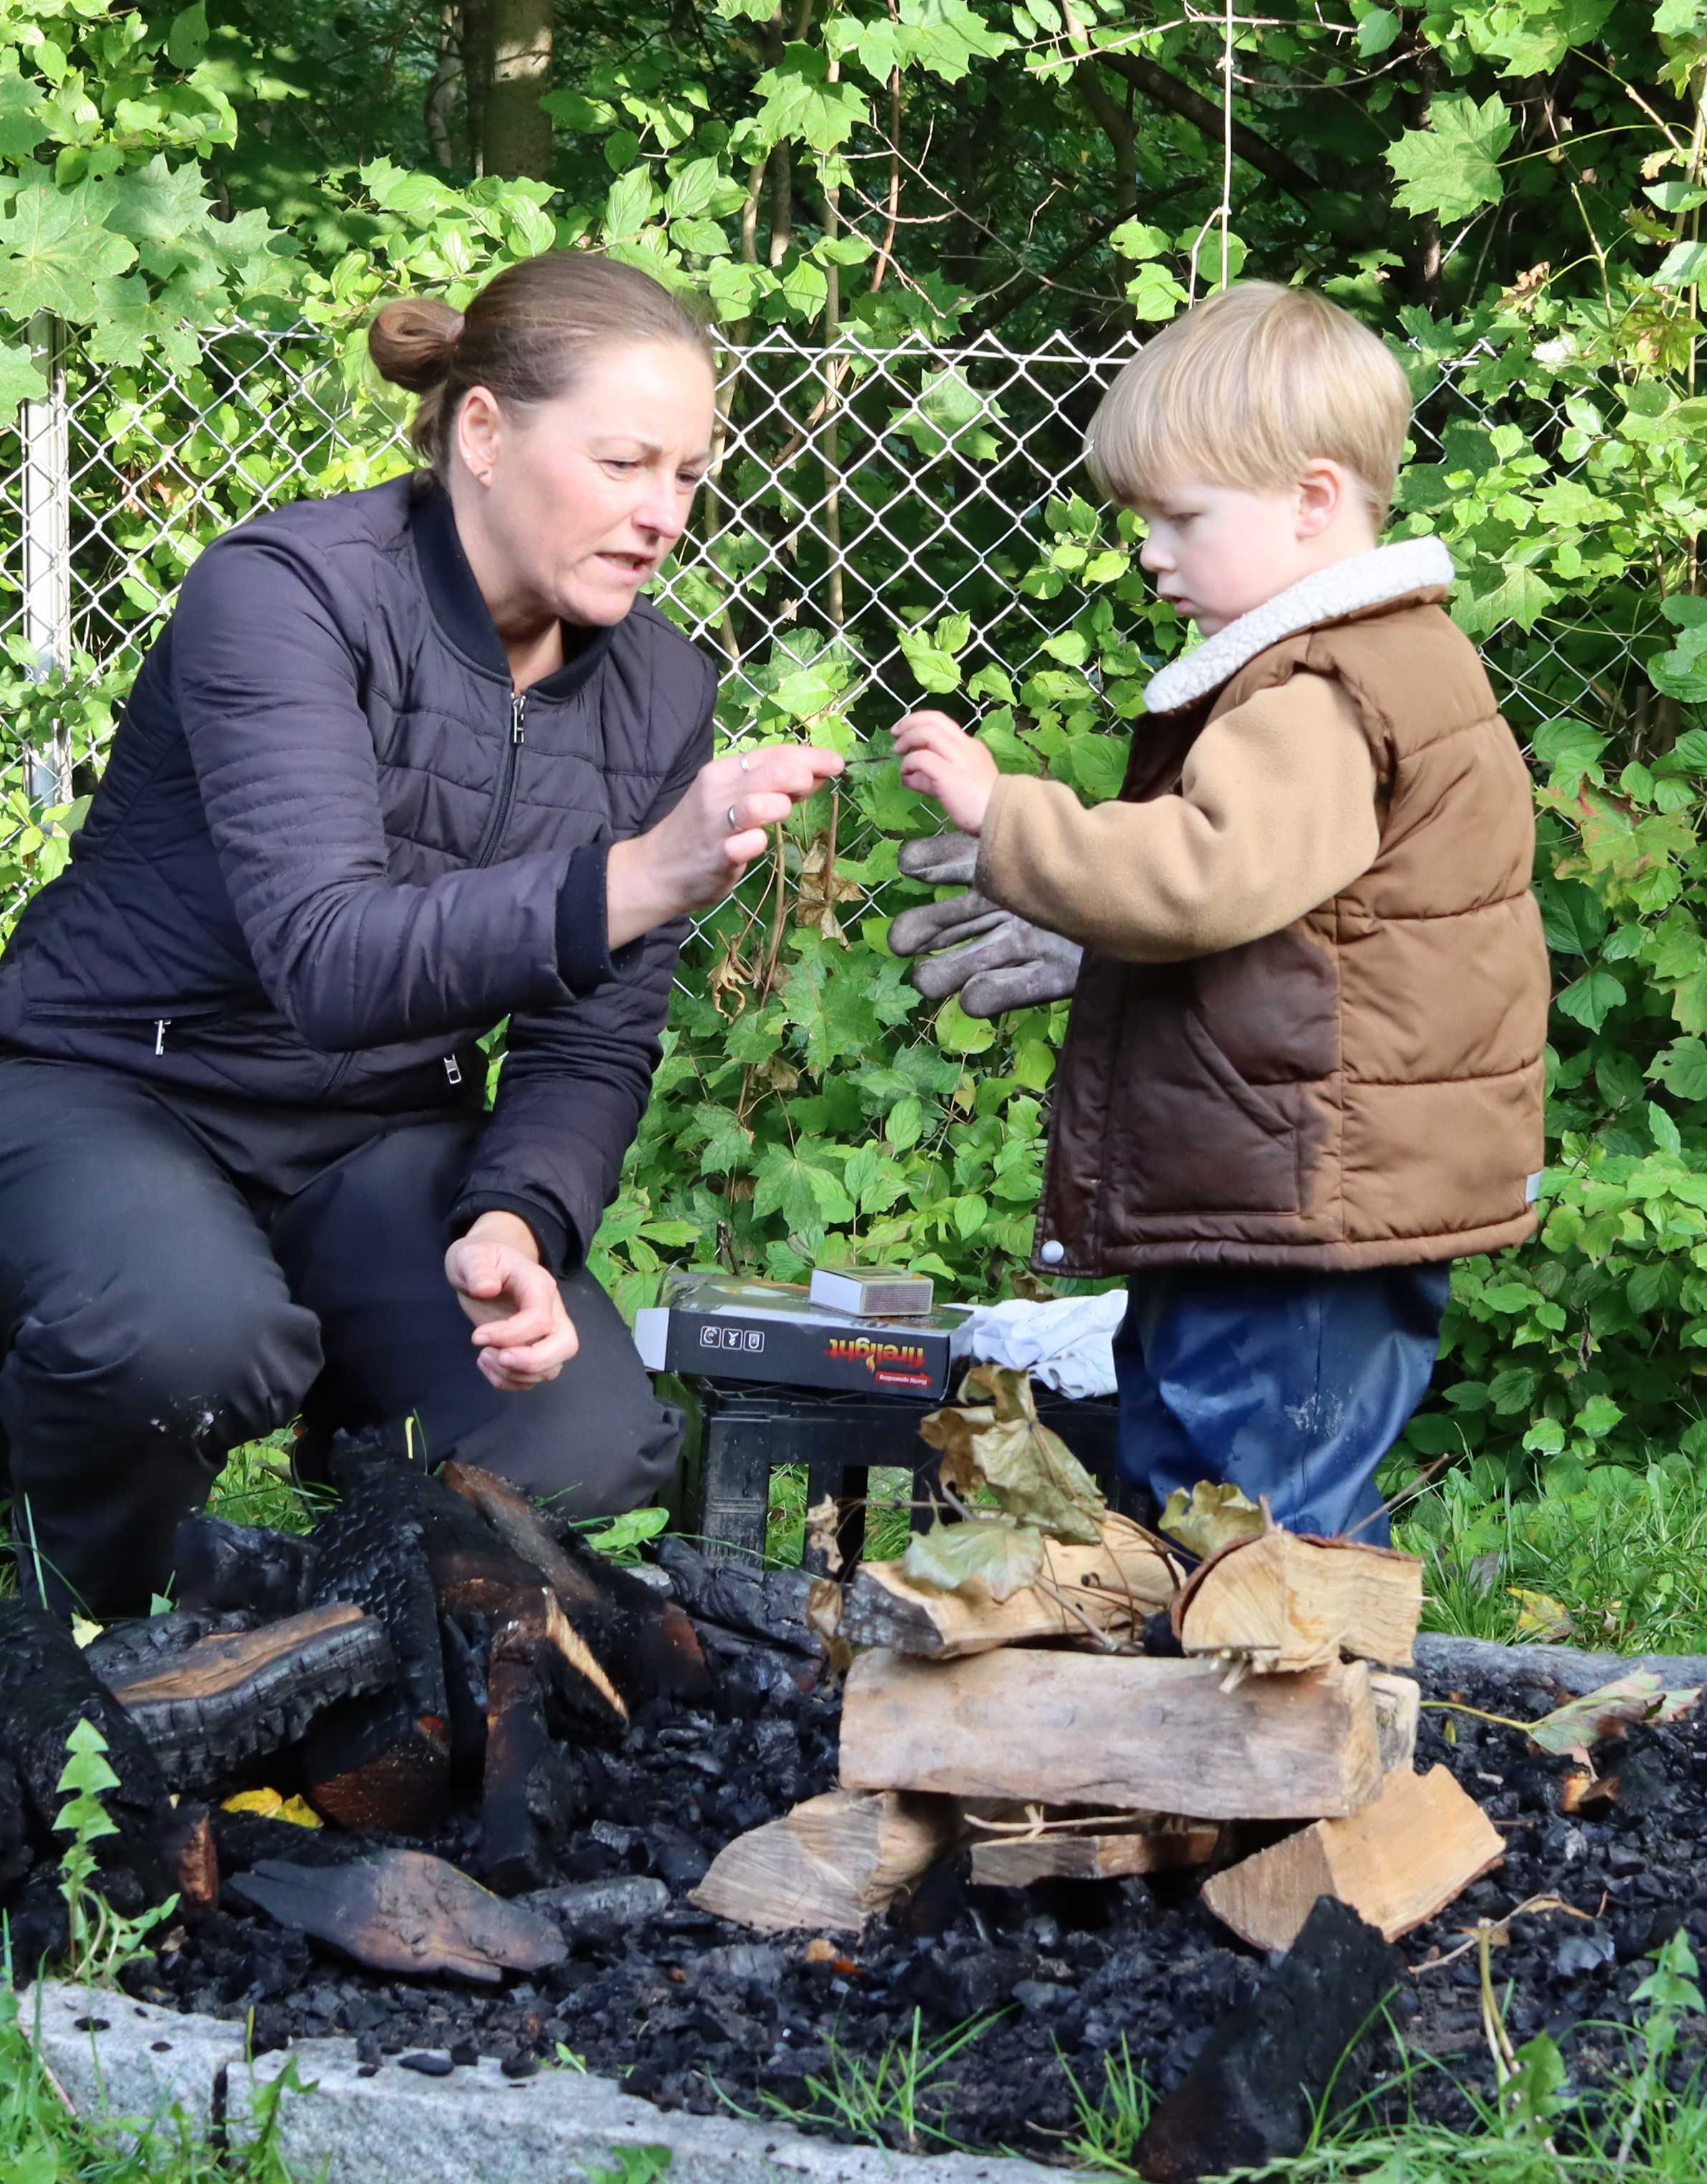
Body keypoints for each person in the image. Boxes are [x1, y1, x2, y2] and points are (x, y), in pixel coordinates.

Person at [0, 251, 841, 1617]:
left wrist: (516, 1213)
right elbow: (329, 955)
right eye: (626, 463)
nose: (662, 515)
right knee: (178, 1343)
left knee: (579, 1447)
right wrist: (638, 875)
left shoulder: (658, 686)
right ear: (484, 431)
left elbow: (593, 1040)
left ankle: (342, 1595)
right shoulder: (286, 591)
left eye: (688, 475)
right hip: (119, 1083)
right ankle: (95, 1602)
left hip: (380, 1132)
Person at [891, 281, 1549, 1541]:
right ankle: (1212, 1696)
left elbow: (1208, 871)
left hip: (1301, 1199)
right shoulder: (1370, 657)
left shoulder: (1322, 683)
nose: (1150, 551)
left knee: (1254, 1510)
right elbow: (1291, 922)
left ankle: (1288, 1711)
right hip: (1283, 1178)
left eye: (1182, 518)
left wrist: (1006, 820)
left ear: (1311, 500)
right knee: (1197, 1464)